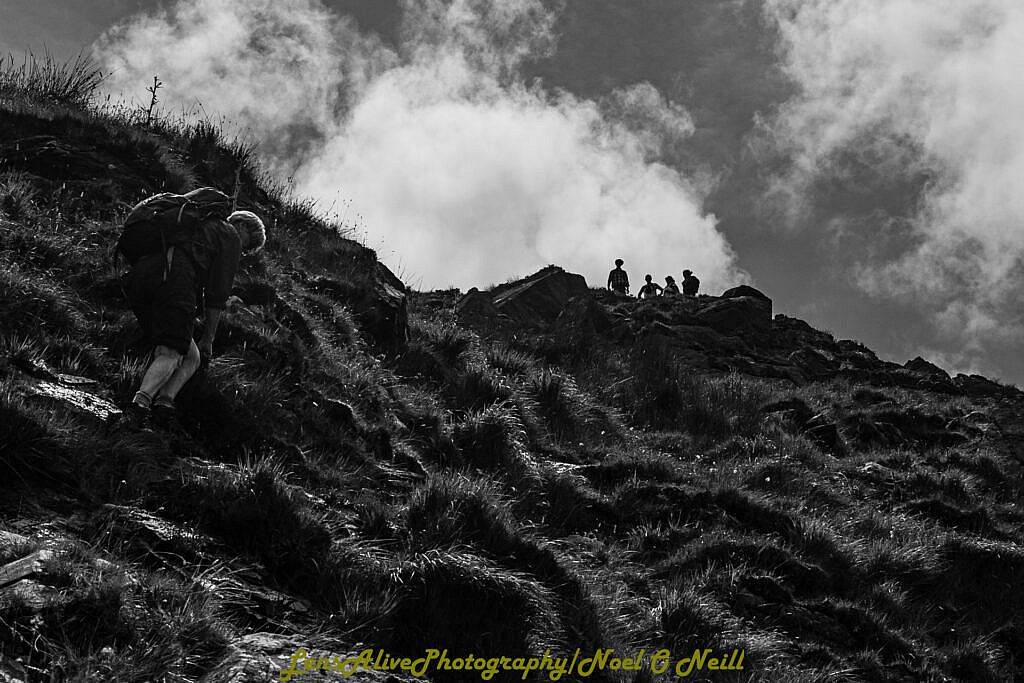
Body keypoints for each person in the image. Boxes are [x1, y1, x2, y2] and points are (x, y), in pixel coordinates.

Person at [125, 206, 266, 427]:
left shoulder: (199, 225)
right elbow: (217, 292)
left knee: (191, 356)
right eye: (248, 243)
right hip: (174, 278)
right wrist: (209, 337)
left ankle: (164, 403)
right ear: (242, 225)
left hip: (143, 274)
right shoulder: (229, 234)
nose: (244, 250)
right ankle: (138, 406)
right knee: (171, 350)